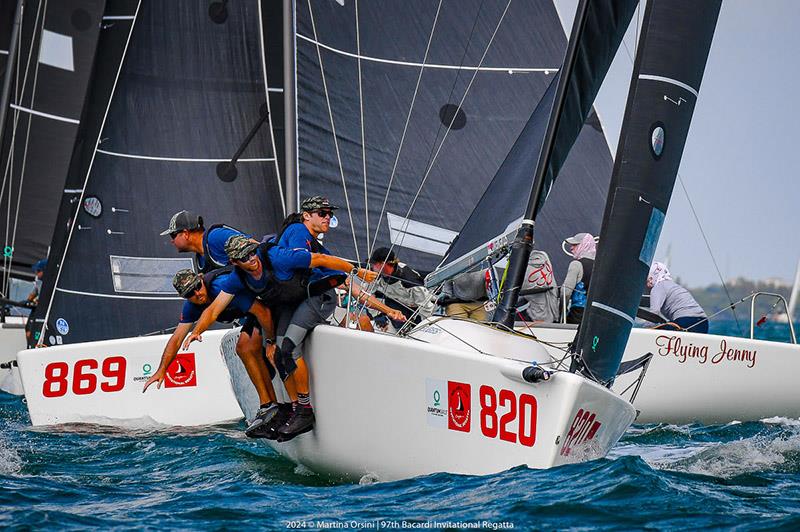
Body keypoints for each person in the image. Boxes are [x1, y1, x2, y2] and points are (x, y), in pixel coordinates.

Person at [183, 225, 379, 440]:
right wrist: (197, 331)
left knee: (288, 349)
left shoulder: (277, 257)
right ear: (234, 263)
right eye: (243, 258)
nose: (251, 259)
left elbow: (320, 259)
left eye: (251, 253)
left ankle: (305, 410)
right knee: (276, 353)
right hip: (291, 304)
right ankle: (293, 409)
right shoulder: (237, 277)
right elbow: (215, 308)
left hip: (317, 297)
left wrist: (357, 271)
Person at [143, 269, 280, 437]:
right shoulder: (192, 306)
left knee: (245, 347)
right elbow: (177, 339)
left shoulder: (221, 286)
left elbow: (263, 312)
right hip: (253, 316)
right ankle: (270, 407)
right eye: (190, 293)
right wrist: (162, 370)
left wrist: (271, 342)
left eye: (198, 287)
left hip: (271, 305)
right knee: (245, 349)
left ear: (201, 279)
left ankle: (272, 406)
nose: (197, 294)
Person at [369, 247, 436, 327]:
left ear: (383, 264)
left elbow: (426, 307)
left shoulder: (410, 282)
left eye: (374, 264)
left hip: (415, 307)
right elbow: (368, 294)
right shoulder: (375, 274)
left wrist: (423, 327)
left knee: (407, 325)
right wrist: (377, 317)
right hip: (393, 301)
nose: (372, 266)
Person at [160, 210, 244, 273]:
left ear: (185, 234)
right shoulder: (200, 262)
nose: (172, 241)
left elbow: (253, 245)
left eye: (173, 235)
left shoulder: (215, 236)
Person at [646, 262, 708, 333]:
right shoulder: (673, 286)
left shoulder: (658, 287)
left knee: (657, 330)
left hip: (686, 321)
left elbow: (654, 312)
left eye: (647, 277)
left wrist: (646, 329)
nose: (647, 280)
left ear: (652, 278)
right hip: (703, 323)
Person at [562, 233, 596, 324]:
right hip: (596, 317)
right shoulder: (602, 266)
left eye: (575, 245)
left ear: (584, 245)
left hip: (577, 315)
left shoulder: (576, 264)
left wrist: (561, 314)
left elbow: (565, 292)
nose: (571, 248)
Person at [520, 250, 559, 323]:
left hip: (532, 315)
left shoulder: (526, 269)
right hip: (549, 313)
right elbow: (553, 287)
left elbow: (521, 289)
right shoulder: (546, 267)